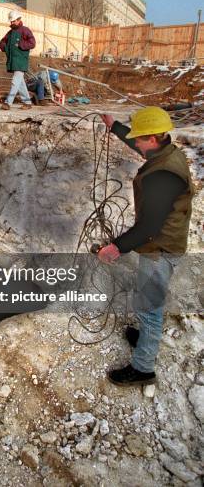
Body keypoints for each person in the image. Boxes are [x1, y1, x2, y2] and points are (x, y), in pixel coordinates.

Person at [98, 106, 194, 386]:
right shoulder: (166, 152)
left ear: (153, 138)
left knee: (150, 308)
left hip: (160, 247)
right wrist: (114, 126)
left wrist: (115, 247)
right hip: (165, 241)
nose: (136, 143)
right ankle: (144, 338)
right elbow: (140, 146)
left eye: (140, 138)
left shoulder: (163, 176)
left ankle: (142, 369)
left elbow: (149, 227)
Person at [0, 10, 36, 110]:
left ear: (19, 20)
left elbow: (32, 43)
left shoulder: (25, 30)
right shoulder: (10, 33)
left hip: (21, 61)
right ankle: (27, 103)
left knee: (15, 82)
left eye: (13, 21)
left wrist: (20, 45)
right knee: (20, 83)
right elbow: (2, 42)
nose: (11, 23)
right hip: (13, 61)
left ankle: (8, 103)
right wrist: (4, 46)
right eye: (11, 21)